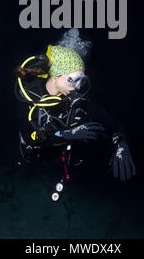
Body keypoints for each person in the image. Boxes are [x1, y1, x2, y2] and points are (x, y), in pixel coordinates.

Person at [14, 44, 136, 183]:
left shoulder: (75, 99)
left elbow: (112, 123)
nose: (77, 86)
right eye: (73, 79)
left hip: (62, 160)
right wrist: (66, 134)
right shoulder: (29, 95)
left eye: (81, 80)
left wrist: (121, 144)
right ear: (56, 75)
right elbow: (29, 136)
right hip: (36, 155)